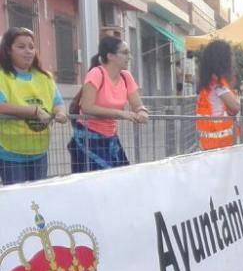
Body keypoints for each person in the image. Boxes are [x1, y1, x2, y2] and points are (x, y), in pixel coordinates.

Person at [69, 36, 147, 173]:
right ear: (110, 56)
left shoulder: (126, 76)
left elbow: (137, 104)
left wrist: (141, 111)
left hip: (111, 137)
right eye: (125, 52)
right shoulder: (96, 74)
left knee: (121, 177)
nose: (129, 57)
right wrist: (119, 113)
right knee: (96, 183)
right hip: (88, 138)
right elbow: (87, 107)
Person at [0, 27, 67, 184]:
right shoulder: (2, 76)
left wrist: (61, 113)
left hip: (39, 151)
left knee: (38, 197)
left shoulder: (45, 77)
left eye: (31, 47)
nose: (28, 51)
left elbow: (57, 103)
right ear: (8, 50)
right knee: (18, 199)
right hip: (10, 151)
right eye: (21, 47)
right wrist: (34, 111)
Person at [195, 39, 241, 151]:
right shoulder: (218, 84)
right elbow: (235, 106)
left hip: (207, 139)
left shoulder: (208, 82)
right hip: (220, 141)